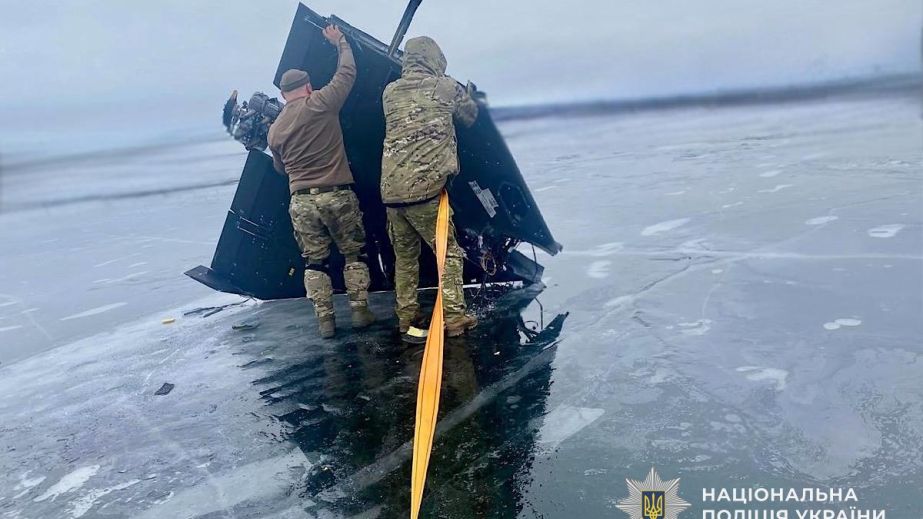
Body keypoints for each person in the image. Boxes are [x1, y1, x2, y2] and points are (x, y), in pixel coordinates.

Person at [268, 24, 375, 339]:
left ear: (282, 95)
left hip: (300, 202)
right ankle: (359, 312)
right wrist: (340, 41)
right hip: (336, 196)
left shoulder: (274, 130)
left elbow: (280, 169)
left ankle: (326, 322)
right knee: (353, 254)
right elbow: (347, 74)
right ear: (309, 86)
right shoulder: (320, 103)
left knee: (315, 262)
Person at [380, 36, 480, 343]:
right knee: (448, 254)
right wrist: (468, 93)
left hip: (392, 194)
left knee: (405, 259)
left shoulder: (389, 92)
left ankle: (406, 318)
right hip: (426, 191)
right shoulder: (445, 87)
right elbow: (470, 116)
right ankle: (455, 318)